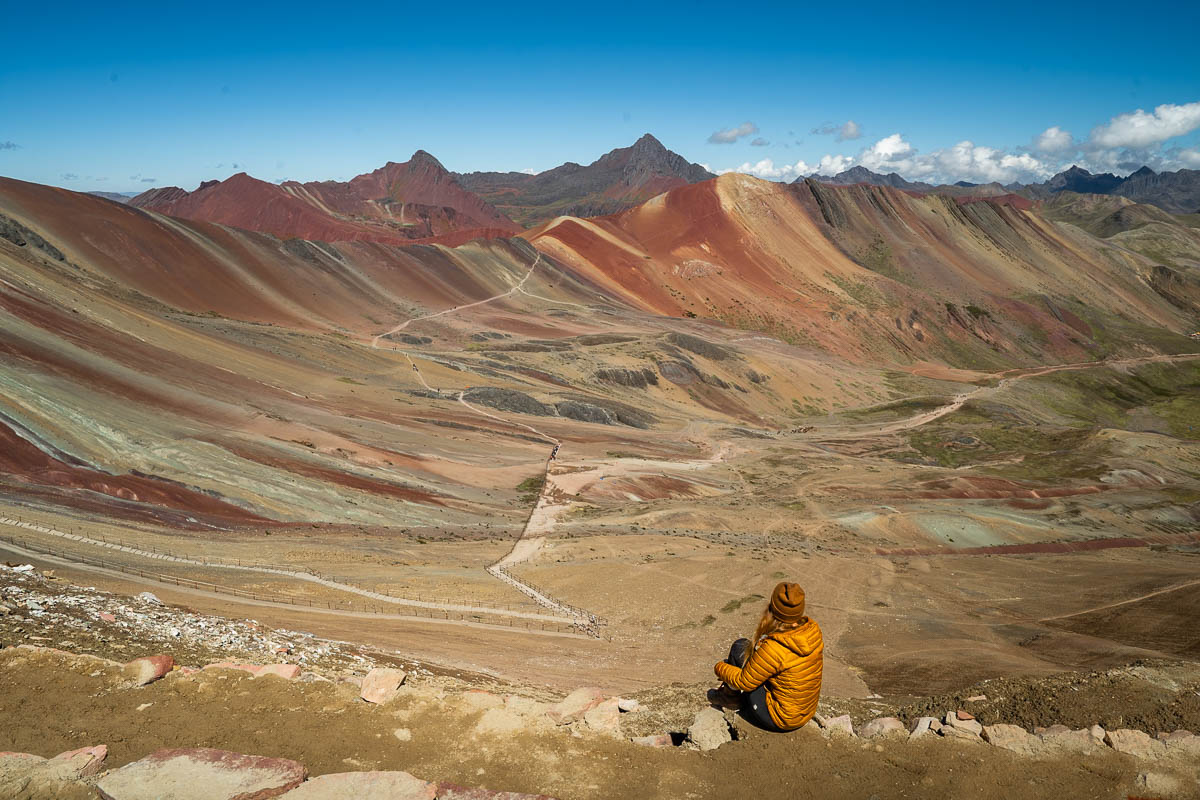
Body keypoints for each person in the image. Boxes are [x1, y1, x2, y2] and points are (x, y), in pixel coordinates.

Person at [711, 582, 823, 732]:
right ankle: (730, 695)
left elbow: (744, 681)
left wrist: (720, 667)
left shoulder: (774, 648)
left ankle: (730, 698)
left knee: (738, 650)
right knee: (744, 648)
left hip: (779, 718)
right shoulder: (812, 631)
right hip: (805, 712)